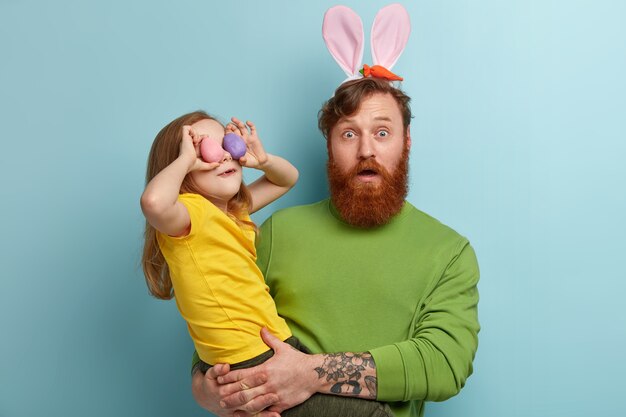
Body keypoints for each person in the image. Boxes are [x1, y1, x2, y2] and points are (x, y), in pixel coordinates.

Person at [191, 78, 480, 417]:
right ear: (329, 146)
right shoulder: (277, 232)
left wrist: (310, 374)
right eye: (349, 134)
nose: (366, 150)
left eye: (382, 133)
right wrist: (207, 391)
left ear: (407, 143)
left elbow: (445, 364)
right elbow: (217, 331)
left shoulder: (448, 252)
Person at [141, 110, 393, 417]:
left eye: (227, 144)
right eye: (204, 149)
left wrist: (260, 159)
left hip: (273, 344)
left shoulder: (233, 213)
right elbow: (153, 202)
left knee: (362, 402)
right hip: (249, 357)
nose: (224, 157)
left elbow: (287, 178)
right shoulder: (188, 215)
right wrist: (185, 161)